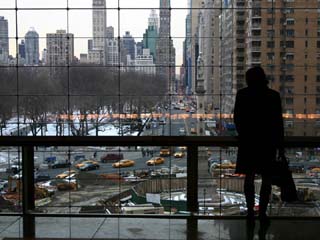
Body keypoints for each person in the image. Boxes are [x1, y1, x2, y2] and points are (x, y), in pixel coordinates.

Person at [233, 66, 285, 225]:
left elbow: (237, 119)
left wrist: (245, 134)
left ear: (249, 79)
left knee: (249, 178)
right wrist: (280, 147)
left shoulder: (242, 95)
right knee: (267, 180)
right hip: (267, 143)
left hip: (248, 143)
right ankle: (262, 213)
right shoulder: (273, 96)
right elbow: (278, 124)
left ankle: (250, 213)